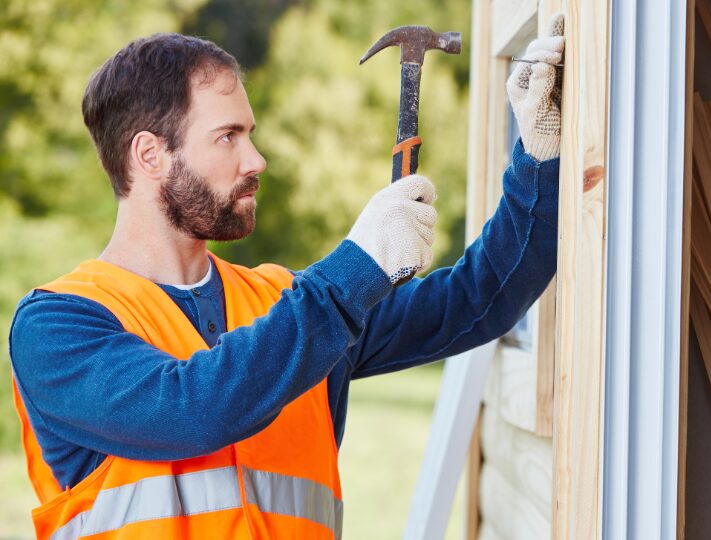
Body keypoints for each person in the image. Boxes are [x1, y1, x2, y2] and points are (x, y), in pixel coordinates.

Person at [7, 18, 565, 540]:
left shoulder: (285, 303)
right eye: (228, 137)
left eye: (250, 133)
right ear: (150, 155)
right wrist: (357, 267)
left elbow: (480, 297)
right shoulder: (56, 325)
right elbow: (193, 409)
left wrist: (539, 156)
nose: (256, 159)